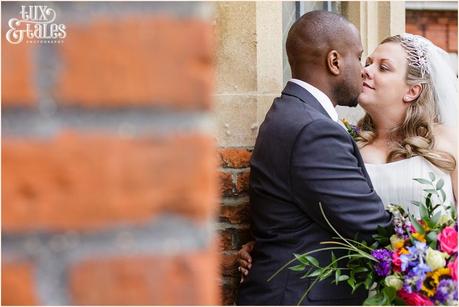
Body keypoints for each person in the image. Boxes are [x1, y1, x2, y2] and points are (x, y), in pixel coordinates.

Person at [238, 33, 458, 302]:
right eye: (367, 62)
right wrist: (266, 249)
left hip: (433, 289)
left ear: (412, 90)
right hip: (361, 293)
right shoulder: (344, 145)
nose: (366, 71)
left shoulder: (448, 141)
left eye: (383, 67)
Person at [236, 10, 392, 306]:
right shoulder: (314, 130)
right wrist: (433, 250)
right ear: (334, 62)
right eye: (358, 58)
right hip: (301, 296)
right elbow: (373, 229)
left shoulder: (290, 112)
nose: (363, 70)